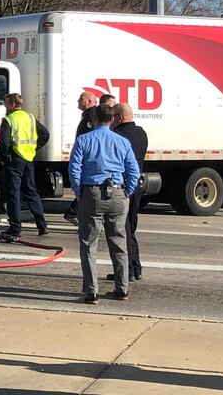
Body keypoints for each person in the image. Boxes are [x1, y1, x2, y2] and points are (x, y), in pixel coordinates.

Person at [69, 104, 140, 304]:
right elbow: (133, 170)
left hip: (92, 192)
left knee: (89, 243)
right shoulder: (122, 142)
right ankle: (122, 288)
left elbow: (74, 169)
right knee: (118, 242)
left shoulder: (84, 139)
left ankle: (91, 291)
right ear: (111, 119)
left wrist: (79, 192)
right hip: (117, 191)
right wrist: (127, 191)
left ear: (95, 118)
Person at [0, 93, 50, 241]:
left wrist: (2, 158)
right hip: (28, 158)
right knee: (31, 192)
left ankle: (15, 228)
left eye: (7, 104)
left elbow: (4, 142)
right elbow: (45, 135)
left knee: (13, 194)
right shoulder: (30, 117)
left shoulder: (8, 120)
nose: (5, 107)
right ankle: (42, 225)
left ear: (13, 104)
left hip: (14, 159)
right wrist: (33, 148)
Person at [109, 102, 148, 281]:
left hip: (123, 187)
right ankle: (137, 267)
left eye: (114, 117)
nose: (111, 120)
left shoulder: (117, 136)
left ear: (120, 117)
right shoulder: (141, 133)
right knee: (131, 228)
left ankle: (127, 271)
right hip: (137, 184)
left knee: (121, 230)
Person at [64, 91, 99, 225]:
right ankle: (74, 213)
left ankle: (74, 213)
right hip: (86, 157)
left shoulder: (91, 116)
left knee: (87, 187)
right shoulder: (89, 115)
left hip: (87, 158)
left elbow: (90, 137)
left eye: (81, 99)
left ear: (89, 101)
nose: (78, 101)